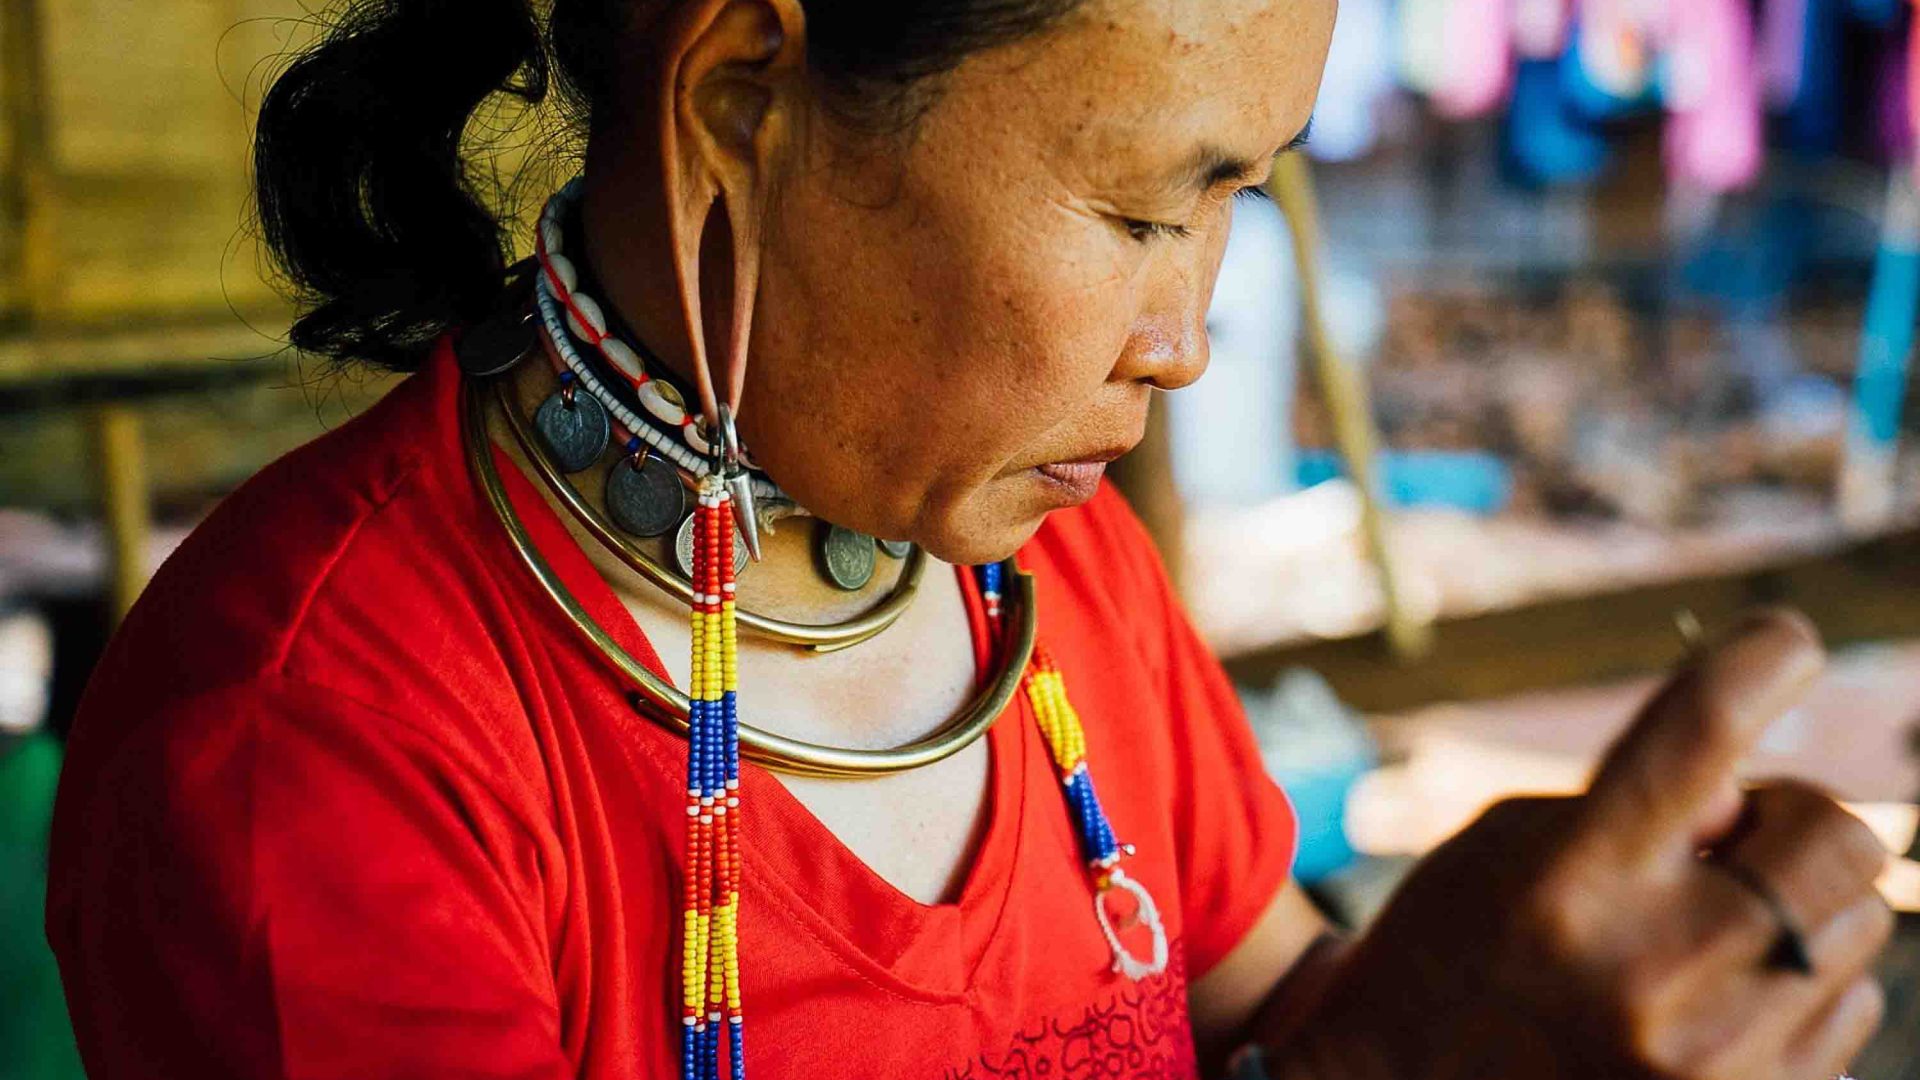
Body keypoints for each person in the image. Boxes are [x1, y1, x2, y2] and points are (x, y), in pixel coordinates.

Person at [45, 1, 1892, 1077]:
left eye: (1242, 197)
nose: (1183, 336)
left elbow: (1271, 1014)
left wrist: (1537, 1005)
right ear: (739, 103)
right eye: (1142, 212)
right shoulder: (310, 760)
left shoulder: (1050, 574)